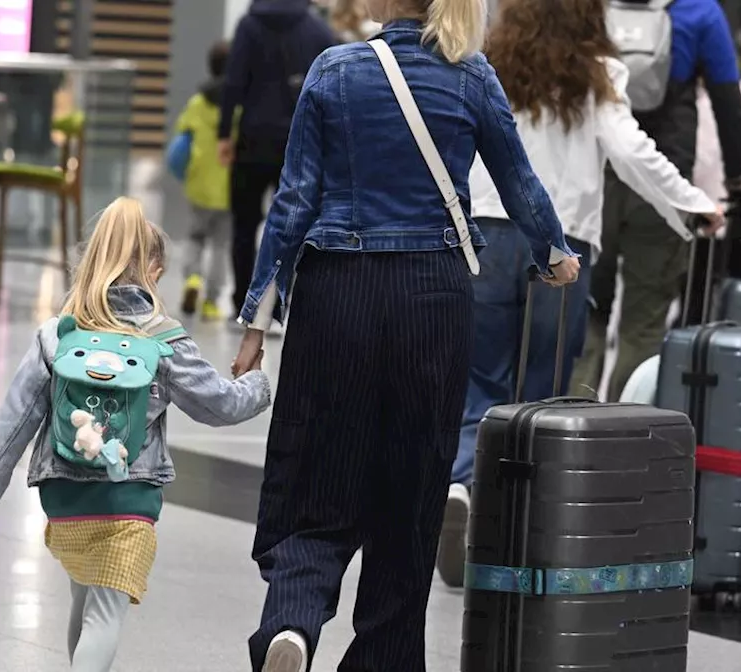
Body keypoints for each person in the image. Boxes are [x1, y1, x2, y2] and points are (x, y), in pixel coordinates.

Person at [227, 2, 578, 669]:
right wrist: (553, 251)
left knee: (317, 478)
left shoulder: (334, 70)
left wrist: (256, 319)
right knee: (411, 495)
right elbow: (518, 179)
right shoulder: (472, 76)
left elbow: (294, 202)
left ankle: (293, 622)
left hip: (337, 295)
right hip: (433, 298)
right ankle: (384, 657)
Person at [436, 0, 724, 589]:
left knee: (480, 382)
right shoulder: (596, 76)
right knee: (541, 393)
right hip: (560, 244)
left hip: (486, 231)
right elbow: (631, 151)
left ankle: (461, 484)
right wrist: (692, 204)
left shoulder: (487, 64)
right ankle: (513, 537)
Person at [0, 197, 272, 672]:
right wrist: (261, 382)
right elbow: (221, 406)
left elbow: (14, 422)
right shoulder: (163, 341)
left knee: (82, 605)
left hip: (64, 502)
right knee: (103, 618)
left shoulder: (56, 334)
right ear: (154, 268)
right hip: (127, 504)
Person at [571, 0, 741, 402]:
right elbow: (728, 102)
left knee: (587, 311)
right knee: (645, 321)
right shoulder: (699, 12)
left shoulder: (591, 6)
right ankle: (622, 436)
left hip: (596, 175)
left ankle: (570, 428)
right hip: (664, 180)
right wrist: (736, 175)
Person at [218, 0, 336, 321]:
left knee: (244, 225)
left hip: (251, 141)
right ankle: (282, 306)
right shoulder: (318, 30)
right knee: (296, 225)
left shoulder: (249, 25)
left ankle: (243, 303)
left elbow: (233, 82)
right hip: (298, 142)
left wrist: (224, 134)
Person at [177, 41, 234, 320]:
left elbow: (181, 145)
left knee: (195, 237)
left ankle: (192, 279)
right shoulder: (239, 106)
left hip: (199, 184)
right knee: (221, 247)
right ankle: (212, 303)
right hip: (229, 189)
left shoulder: (197, 103)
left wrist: (182, 173)